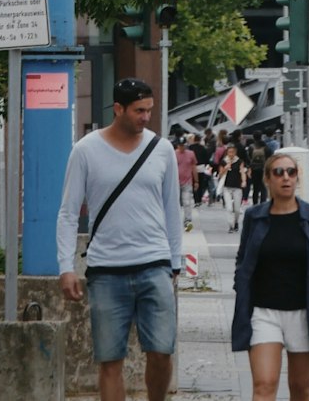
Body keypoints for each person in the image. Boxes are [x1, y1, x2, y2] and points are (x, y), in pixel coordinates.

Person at [57, 78, 182, 401]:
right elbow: (69, 212)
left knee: (161, 351)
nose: (145, 117)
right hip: (106, 269)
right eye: (139, 110)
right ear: (118, 109)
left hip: (154, 264)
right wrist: (65, 266)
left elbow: (171, 209)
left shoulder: (161, 149)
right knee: (110, 358)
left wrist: (176, 262)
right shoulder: (86, 150)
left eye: (149, 110)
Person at [231, 147, 309, 401]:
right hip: (263, 313)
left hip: (303, 312)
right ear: (267, 179)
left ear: (297, 177)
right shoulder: (254, 217)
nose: (285, 177)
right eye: (278, 172)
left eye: (291, 172)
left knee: (300, 388)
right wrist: (240, 282)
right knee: (264, 385)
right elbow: (242, 258)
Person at [220, 139, 250, 232]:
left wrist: (244, 181)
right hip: (227, 187)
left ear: (235, 152)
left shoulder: (239, 161)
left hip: (237, 187)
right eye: (229, 152)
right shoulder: (224, 161)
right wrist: (225, 168)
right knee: (229, 208)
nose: (231, 154)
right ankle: (231, 225)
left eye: (232, 152)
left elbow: (242, 172)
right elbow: (220, 174)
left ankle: (236, 222)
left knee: (237, 209)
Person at [175, 133, 198, 230]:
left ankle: (188, 220)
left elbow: (194, 167)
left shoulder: (191, 154)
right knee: (175, 203)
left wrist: (196, 181)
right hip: (175, 182)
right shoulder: (173, 154)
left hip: (187, 182)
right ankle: (174, 221)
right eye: (180, 145)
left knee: (187, 202)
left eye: (183, 145)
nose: (181, 147)